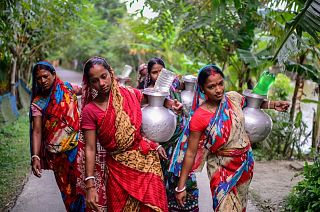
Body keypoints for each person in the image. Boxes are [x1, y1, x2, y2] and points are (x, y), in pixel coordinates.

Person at [173, 64, 290, 211]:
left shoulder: (234, 98)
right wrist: (181, 187)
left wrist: (273, 104)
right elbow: (190, 153)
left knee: (239, 206)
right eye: (211, 86)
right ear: (202, 89)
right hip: (220, 168)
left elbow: (250, 104)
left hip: (244, 164)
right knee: (224, 207)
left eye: (221, 83)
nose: (218, 90)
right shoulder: (199, 117)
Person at [77, 56, 182, 211]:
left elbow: (150, 99)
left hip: (147, 163)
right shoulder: (90, 111)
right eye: (95, 80)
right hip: (117, 170)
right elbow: (90, 148)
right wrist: (90, 185)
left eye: (104, 76)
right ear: (89, 83)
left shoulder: (128, 94)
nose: (101, 83)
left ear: (111, 73)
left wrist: (171, 104)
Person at [141, 57, 199, 211]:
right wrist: (155, 145)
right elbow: (142, 126)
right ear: (149, 75)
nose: (158, 76)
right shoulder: (146, 94)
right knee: (161, 184)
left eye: (161, 71)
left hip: (180, 144)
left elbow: (187, 112)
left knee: (186, 180)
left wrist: (180, 109)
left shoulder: (175, 90)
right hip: (158, 149)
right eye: (154, 72)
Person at [30, 61, 85, 211]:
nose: (43, 81)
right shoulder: (38, 102)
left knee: (84, 187)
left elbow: (88, 89)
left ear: (54, 74)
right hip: (58, 157)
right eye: (39, 78)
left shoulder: (68, 88)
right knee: (67, 191)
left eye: (46, 76)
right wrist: (35, 156)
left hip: (79, 150)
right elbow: (37, 131)